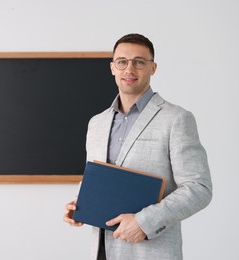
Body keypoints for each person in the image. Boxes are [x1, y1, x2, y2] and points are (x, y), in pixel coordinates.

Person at [63, 33, 212, 260]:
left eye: (139, 62)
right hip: (101, 251)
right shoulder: (97, 123)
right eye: (122, 61)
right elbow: (99, 179)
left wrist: (144, 222)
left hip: (151, 253)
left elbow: (199, 188)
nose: (129, 69)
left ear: (153, 68)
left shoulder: (177, 119)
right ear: (113, 68)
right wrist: (81, 204)